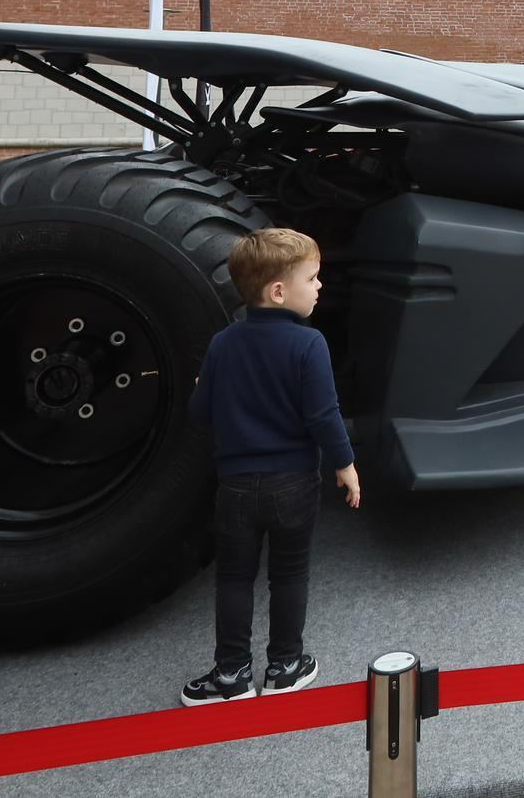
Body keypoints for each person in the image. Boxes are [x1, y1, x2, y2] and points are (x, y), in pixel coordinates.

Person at [181, 228, 361, 706]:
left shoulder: (223, 343)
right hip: (293, 483)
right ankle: (285, 666)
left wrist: (205, 384)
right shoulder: (309, 345)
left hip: (236, 486)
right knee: (289, 573)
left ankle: (231, 674)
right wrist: (345, 463)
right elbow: (322, 415)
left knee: (235, 578)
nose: (320, 286)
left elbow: (199, 414)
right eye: (313, 277)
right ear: (279, 291)